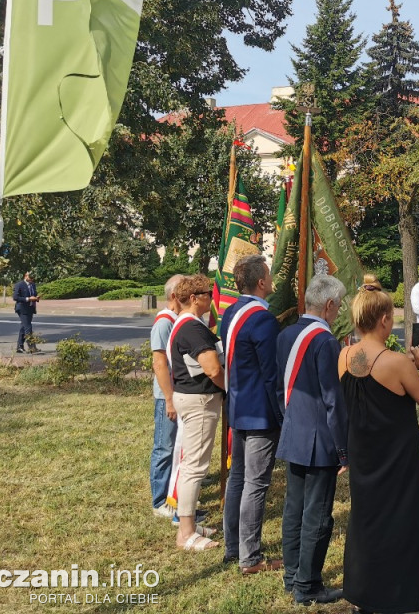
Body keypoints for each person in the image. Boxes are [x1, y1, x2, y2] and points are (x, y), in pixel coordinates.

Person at [338, 275, 419, 614]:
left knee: (366, 523)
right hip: (397, 462)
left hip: (364, 457)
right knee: (401, 526)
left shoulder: (345, 357)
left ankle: (364, 593)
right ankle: (394, 598)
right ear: (383, 320)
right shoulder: (397, 363)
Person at [276, 275, 349, 606]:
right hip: (320, 440)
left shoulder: (286, 334)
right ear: (330, 305)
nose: (340, 311)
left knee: (294, 508)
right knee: (318, 514)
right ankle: (307, 585)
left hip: (294, 432)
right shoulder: (325, 341)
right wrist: (344, 451)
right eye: (340, 305)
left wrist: (290, 423)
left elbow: (279, 390)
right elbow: (333, 401)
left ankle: (292, 575)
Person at [220, 255, 282, 574]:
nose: (272, 281)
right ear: (261, 282)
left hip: (238, 406)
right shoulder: (263, 320)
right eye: (269, 276)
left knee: (238, 480)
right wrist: (283, 414)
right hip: (259, 412)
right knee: (255, 483)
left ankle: (234, 547)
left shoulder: (230, 312)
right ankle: (250, 557)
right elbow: (271, 374)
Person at [168, 273, 224, 551]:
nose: (211, 298)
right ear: (194, 298)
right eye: (207, 294)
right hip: (199, 400)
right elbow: (213, 369)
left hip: (192, 397)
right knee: (194, 467)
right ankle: (186, 533)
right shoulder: (191, 328)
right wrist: (230, 387)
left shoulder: (186, 324)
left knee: (192, 464)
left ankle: (187, 523)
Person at [150, 274, 184, 519]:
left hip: (176, 392)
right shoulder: (164, 322)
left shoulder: (177, 319)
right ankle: (160, 499)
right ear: (174, 296)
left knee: (174, 447)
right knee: (164, 446)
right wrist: (169, 399)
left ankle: (174, 492)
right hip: (166, 396)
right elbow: (160, 364)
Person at [12, 271, 39, 353]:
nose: (31, 280)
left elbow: (34, 294)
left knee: (23, 327)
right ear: (25, 276)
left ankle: (19, 346)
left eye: (32, 278)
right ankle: (32, 347)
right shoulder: (19, 285)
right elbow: (15, 297)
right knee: (28, 327)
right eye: (30, 278)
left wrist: (36, 298)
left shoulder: (33, 285)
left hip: (30, 308)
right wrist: (28, 299)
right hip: (22, 308)